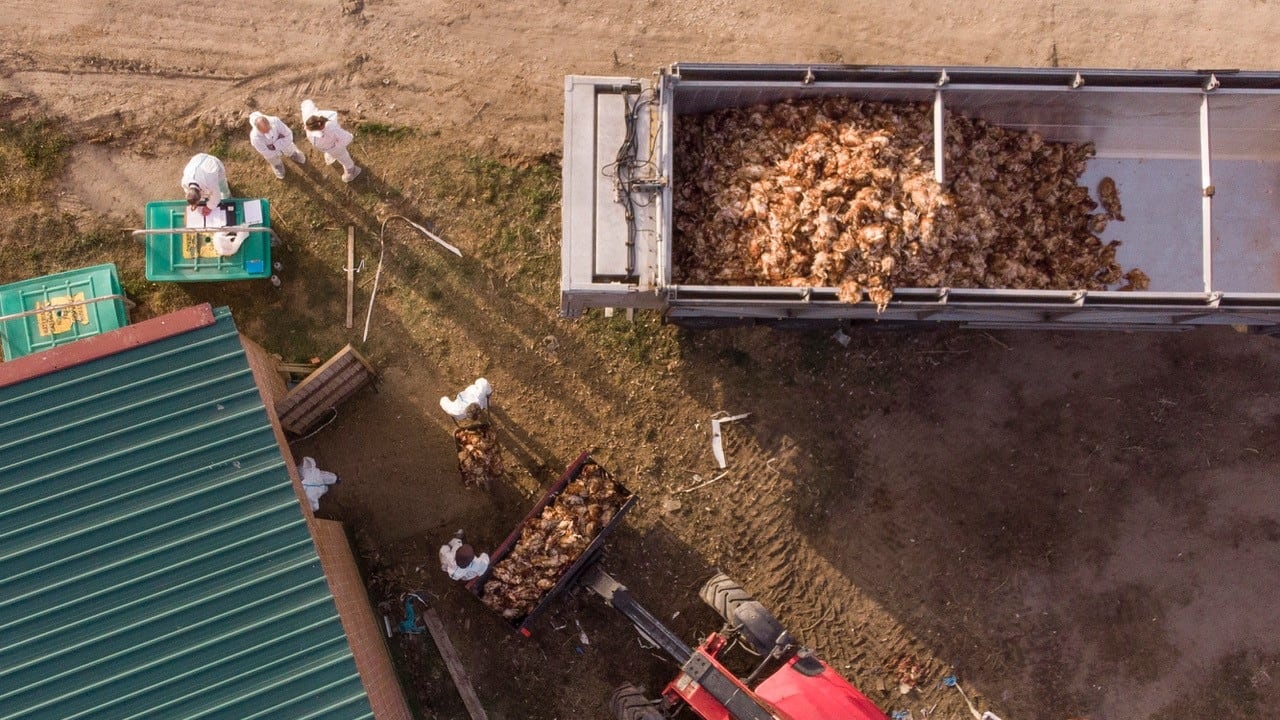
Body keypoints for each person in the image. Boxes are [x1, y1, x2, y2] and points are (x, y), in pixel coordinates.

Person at [300, 98, 362, 183]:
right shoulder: (310, 117)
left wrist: (337, 146)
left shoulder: (331, 129)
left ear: (319, 128)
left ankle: (351, 170)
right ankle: (331, 155)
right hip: (328, 148)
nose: (305, 128)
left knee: (343, 157)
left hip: (334, 147)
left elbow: (348, 138)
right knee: (332, 153)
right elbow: (307, 104)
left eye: (308, 129)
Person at [248, 111, 306, 180]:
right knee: (272, 158)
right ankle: (277, 165)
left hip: (280, 146)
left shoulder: (275, 121)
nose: (267, 132)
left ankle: (293, 154)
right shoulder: (255, 137)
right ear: (258, 129)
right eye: (263, 132)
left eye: (268, 129)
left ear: (269, 123)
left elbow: (288, 135)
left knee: (289, 147)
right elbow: (264, 151)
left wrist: (273, 146)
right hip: (272, 153)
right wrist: (280, 140)